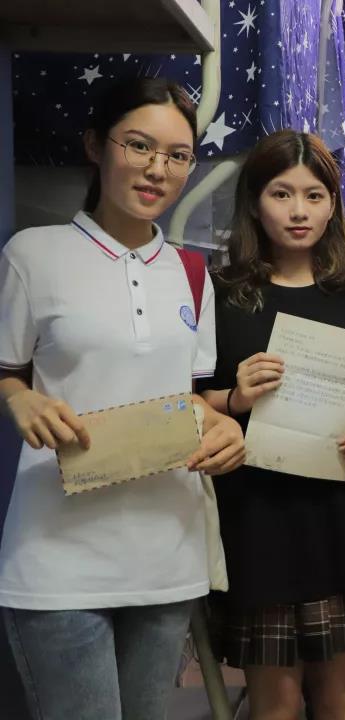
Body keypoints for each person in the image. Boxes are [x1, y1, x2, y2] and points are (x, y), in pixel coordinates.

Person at [0, 77, 245, 720]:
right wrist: (18, 398)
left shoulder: (193, 272)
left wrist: (224, 428)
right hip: (56, 553)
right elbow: (7, 371)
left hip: (166, 550)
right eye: (138, 146)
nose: (157, 169)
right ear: (95, 145)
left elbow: (189, 400)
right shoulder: (32, 254)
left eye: (177, 155)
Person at [198, 130, 345, 720]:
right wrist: (235, 396)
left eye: (314, 196)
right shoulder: (224, 293)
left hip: (341, 515)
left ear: (333, 205)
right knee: (276, 703)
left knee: (341, 697)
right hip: (258, 517)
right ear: (255, 201)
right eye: (281, 194)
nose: (298, 211)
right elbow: (194, 401)